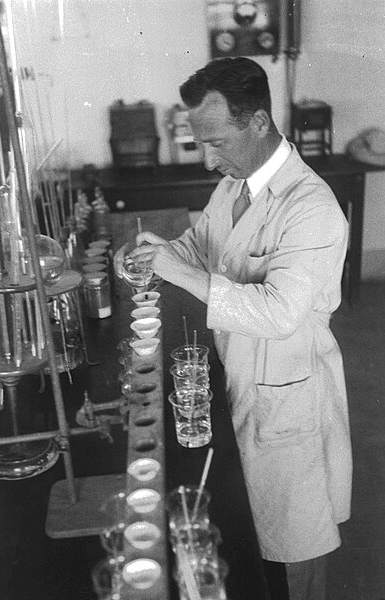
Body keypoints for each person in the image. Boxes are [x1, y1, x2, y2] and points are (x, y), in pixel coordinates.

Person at [114, 57, 352, 600]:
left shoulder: (312, 208)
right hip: (240, 376)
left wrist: (181, 272)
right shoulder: (234, 184)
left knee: (296, 554)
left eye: (217, 142)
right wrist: (159, 253)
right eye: (201, 143)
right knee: (255, 539)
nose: (208, 157)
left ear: (260, 123)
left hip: (289, 396)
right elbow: (204, 246)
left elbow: (278, 312)